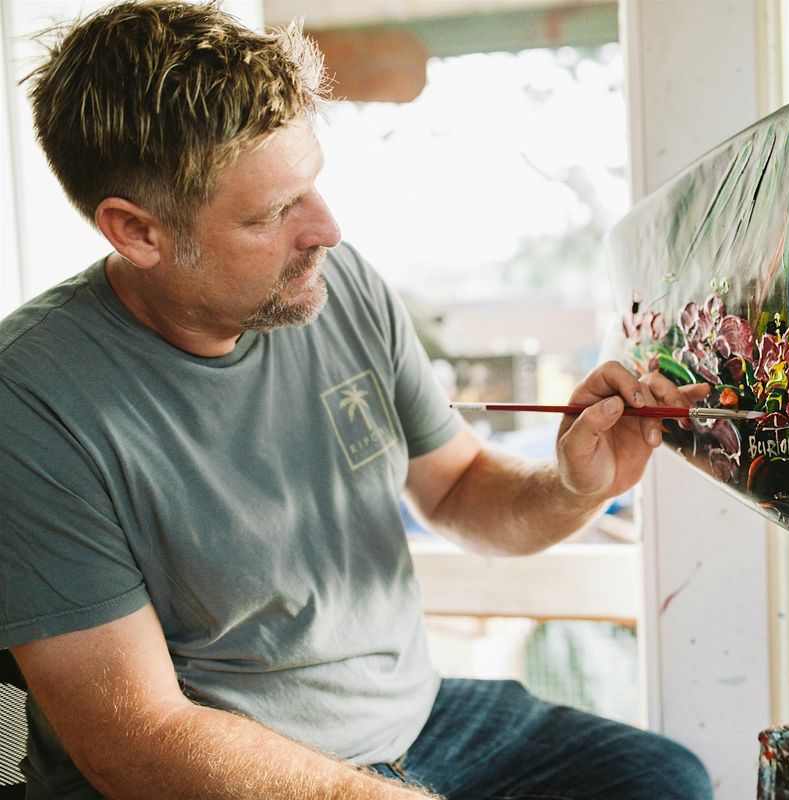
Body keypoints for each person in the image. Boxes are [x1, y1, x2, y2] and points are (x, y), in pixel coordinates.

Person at [0, 2, 714, 798]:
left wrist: (577, 485)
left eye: (311, 186)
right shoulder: (30, 399)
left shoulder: (335, 285)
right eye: (274, 213)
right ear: (137, 232)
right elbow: (138, 742)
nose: (327, 231)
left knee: (660, 780)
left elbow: (457, 488)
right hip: (236, 774)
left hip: (417, 723)